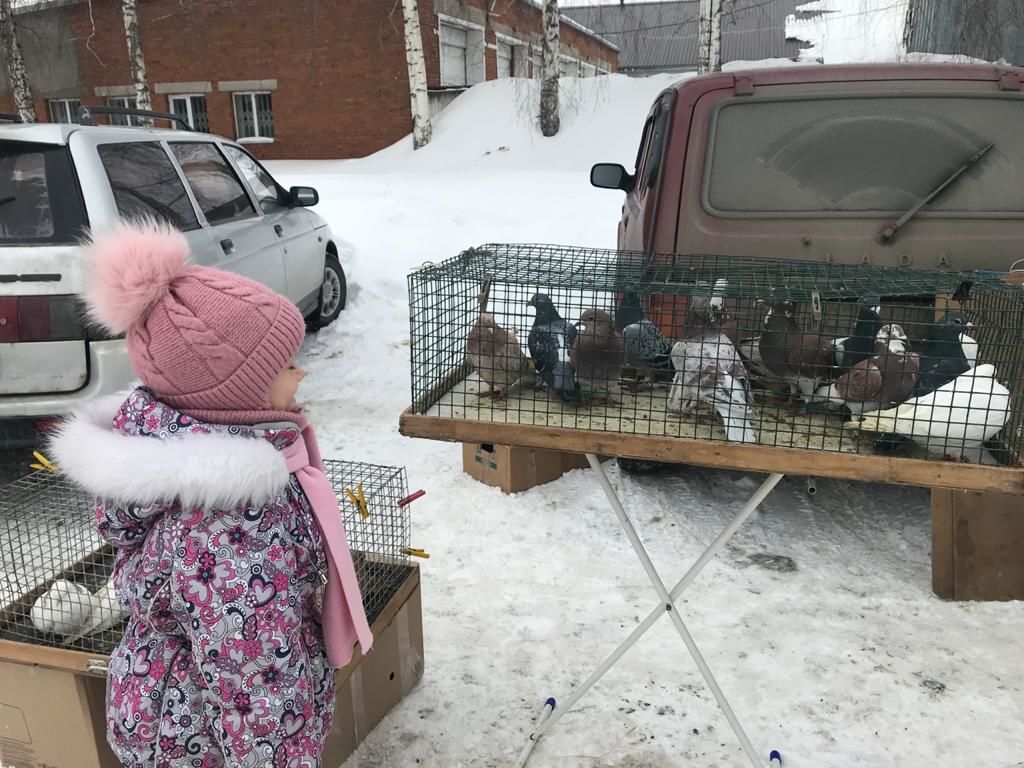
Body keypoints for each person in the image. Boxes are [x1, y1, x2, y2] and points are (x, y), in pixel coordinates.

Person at [51, 218, 372, 767]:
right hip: (207, 745)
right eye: (284, 363)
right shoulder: (228, 528)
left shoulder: (234, 477)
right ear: (232, 395)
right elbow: (253, 684)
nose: (300, 373)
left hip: (182, 723)